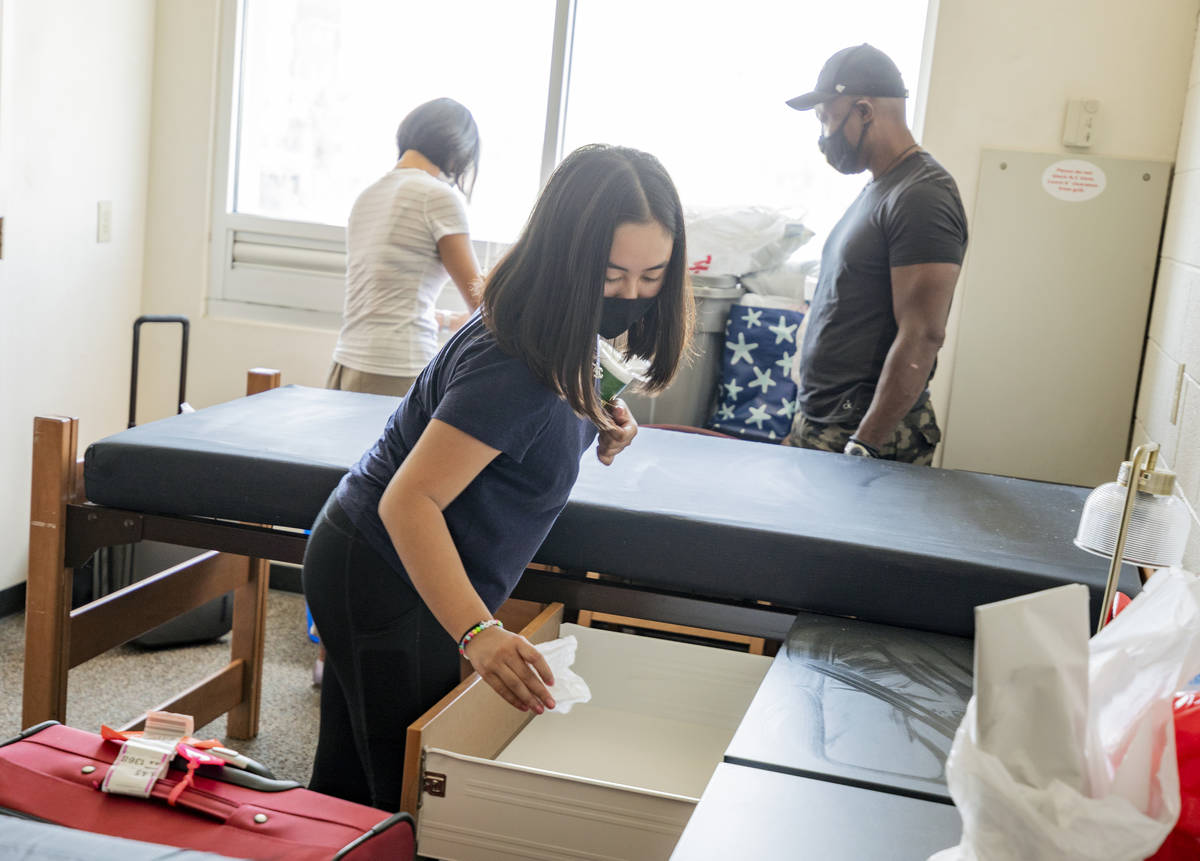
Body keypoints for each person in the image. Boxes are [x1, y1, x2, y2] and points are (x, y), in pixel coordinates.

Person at [302, 144, 694, 811]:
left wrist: (602, 414)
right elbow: (411, 499)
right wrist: (479, 633)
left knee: (345, 796)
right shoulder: (512, 361)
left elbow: (540, 411)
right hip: (382, 572)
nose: (632, 296)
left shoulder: (559, 331)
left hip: (380, 564)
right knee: (407, 808)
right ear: (569, 260)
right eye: (612, 274)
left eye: (652, 275)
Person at [783, 44, 968, 465]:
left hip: (863, 434)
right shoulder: (881, 188)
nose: (824, 136)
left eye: (828, 118)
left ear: (864, 111)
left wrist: (864, 444)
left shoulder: (922, 195)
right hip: (827, 421)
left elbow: (923, 334)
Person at [328, 97, 485, 398]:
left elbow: (385, 291)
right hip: (396, 368)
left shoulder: (369, 195)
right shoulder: (436, 197)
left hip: (346, 363)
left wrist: (444, 319)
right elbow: (481, 304)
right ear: (458, 151)